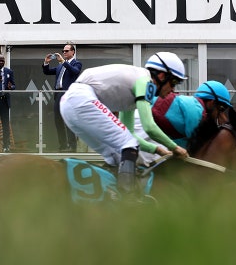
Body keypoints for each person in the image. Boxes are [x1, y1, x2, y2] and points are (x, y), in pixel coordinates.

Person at [59, 52, 189, 198]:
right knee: (128, 145)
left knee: (115, 155)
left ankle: (108, 193)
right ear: (161, 76)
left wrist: (159, 150)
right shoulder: (146, 82)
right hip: (80, 98)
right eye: (173, 83)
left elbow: (130, 133)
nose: (172, 90)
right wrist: (175, 148)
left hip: (68, 104)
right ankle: (128, 196)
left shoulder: (133, 91)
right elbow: (149, 127)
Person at [42, 43, 82, 152]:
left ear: (73, 52)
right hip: (58, 94)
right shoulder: (60, 65)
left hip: (68, 94)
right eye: (63, 51)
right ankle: (63, 145)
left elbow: (75, 72)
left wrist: (62, 62)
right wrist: (46, 62)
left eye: (66, 51)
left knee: (68, 120)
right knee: (58, 120)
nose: (64, 53)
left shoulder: (76, 63)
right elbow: (47, 72)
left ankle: (72, 146)